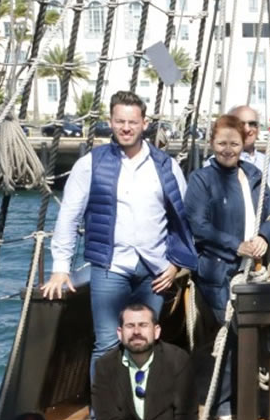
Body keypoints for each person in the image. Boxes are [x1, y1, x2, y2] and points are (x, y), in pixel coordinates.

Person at [42, 91, 197, 382]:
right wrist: (60, 268)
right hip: (110, 267)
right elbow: (68, 216)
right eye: (119, 121)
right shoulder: (91, 164)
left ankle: (141, 416)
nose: (126, 128)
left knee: (146, 344)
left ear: (145, 123)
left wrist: (175, 263)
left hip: (154, 271)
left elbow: (182, 221)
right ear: (110, 122)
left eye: (132, 122)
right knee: (107, 345)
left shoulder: (166, 166)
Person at [184, 115, 270, 420]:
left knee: (255, 334)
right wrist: (236, 245)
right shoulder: (201, 179)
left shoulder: (255, 175)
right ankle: (223, 402)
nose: (228, 150)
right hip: (219, 272)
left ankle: (251, 397)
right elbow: (197, 226)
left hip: (255, 268)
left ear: (244, 143)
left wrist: (266, 237)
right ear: (212, 143)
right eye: (222, 144)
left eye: (234, 144)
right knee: (231, 333)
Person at [226, 105, 270, 225]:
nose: (248, 129)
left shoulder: (266, 162)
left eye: (252, 124)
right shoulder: (216, 164)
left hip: (267, 238)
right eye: (241, 124)